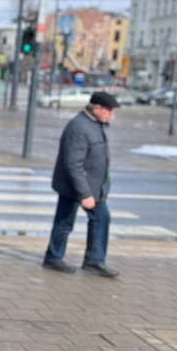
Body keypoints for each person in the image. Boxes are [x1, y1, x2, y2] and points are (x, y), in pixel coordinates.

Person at [43, 91, 120, 278]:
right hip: (76, 186)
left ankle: (91, 260)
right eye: (108, 110)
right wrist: (85, 193)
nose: (111, 114)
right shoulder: (79, 128)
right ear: (96, 108)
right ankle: (56, 258)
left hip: (91, 186)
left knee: (99, 219)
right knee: (66, 222)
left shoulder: (94, 124)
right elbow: (73, 164)